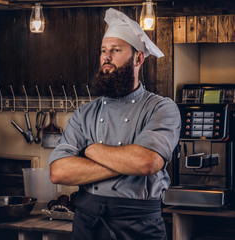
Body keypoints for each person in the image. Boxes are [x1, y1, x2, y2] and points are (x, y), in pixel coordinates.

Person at [49, 8, 181, 240]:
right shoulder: (85, 113)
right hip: (89, 223)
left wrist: (89, 150)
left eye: (115, 50)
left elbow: (147, 163)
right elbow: (59, 171)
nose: (106, 58)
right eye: (103, 51)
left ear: (138, 58)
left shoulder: (161, 108)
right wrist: (125, 163)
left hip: (138, 225)